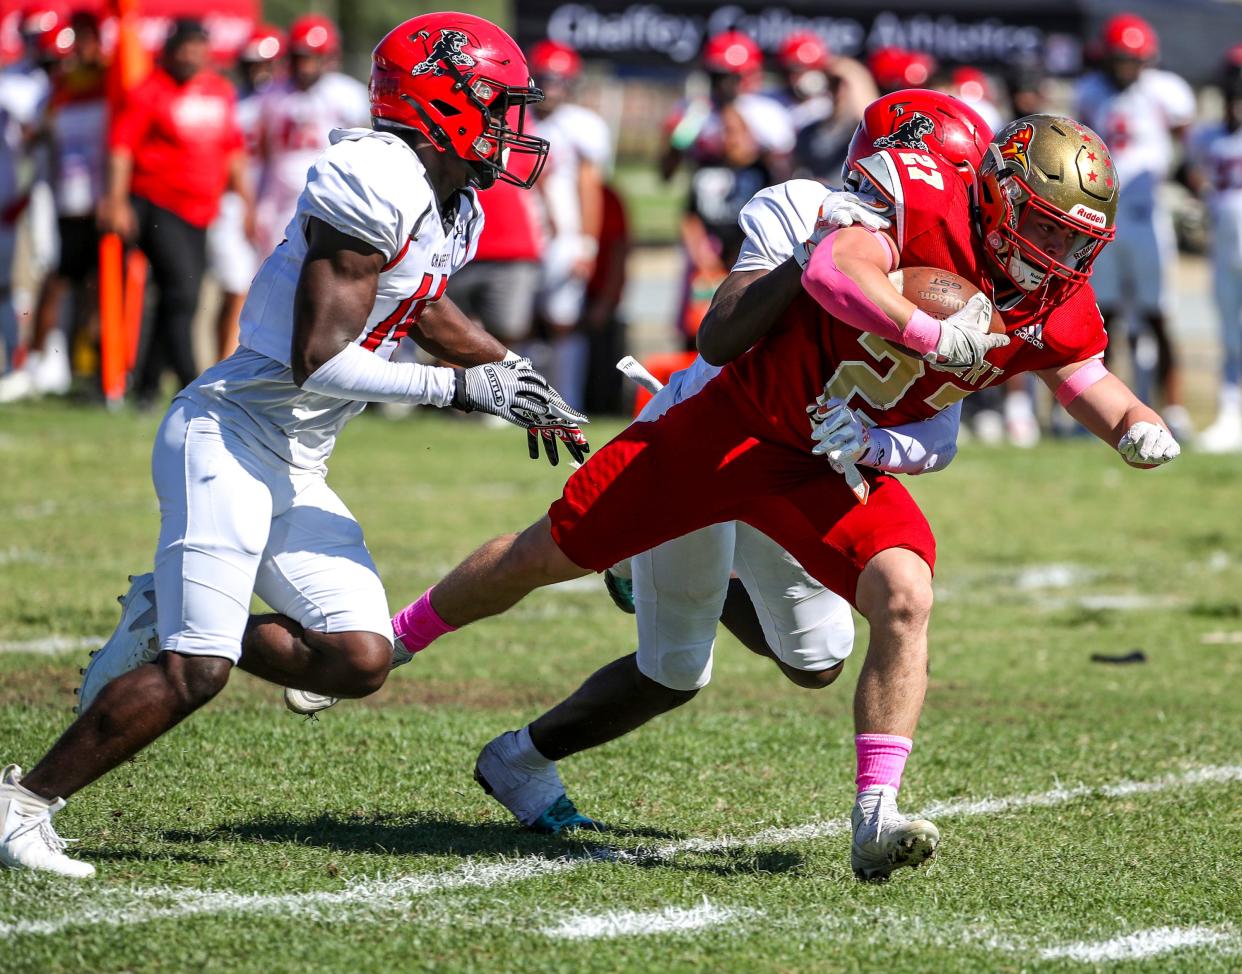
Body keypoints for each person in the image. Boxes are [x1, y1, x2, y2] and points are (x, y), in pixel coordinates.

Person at [385, 114, 1181, 881]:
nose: (1058, 254)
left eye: (1074, 238)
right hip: (729, 424)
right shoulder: (857, 208)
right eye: (1046, 230)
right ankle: (393, 641)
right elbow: (818, 283)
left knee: (883, 608)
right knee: (552, 557)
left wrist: (1134, 424)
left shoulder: (1042, 296)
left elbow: (1046, 395)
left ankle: (877, 817)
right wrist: (925, 329)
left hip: (821, 463)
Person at [0, 14, 586, 879]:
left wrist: (513, 370)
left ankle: (173, 612)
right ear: (442, 99)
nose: (510, 125)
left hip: (294, 460)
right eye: (495, 104)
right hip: (230, 435)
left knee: (358, 658)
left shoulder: (446, 195)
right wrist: (464, 389)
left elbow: (419, 303)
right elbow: (319, 360)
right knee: (194, 674)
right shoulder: (375, 176)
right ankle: (23, 805)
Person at [470, 89, 983, 843]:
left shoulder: (948, 271)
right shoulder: (802, 208)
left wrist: (881, 430)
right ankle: (514, 753)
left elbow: (939, 424)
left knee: (819, 661)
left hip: (800, 462)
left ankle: (636, 567)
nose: (944, 201)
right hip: (713, 434)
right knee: (675, 668)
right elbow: (725, 335)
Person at [100, 19, 251, 406]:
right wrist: (116, 200)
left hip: (203, 210)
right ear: (170, 50)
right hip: (157, 203)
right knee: (182, 292)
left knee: (177, 296)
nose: (191, 55)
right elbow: (122, 148)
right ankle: (189, 378)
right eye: (184, 47)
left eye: (198, 47)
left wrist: (246, 199)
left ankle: (147, 386)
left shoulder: (219, 90)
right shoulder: (149, 91)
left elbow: (232, 148)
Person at [1075, 13, 1196, 440]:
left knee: (1159, 313)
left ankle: (1175, 409)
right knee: (1101, 316)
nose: (1128, 67)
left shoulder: (1166, 91)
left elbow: (1190, 141)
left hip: (1147, 215)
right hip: (1101, 218)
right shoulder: (1089, 92)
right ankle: (1100, 413)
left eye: (1135, 59)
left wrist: (1187, 175)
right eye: (1122, 59)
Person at [0, 9, 103, 402]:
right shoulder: (35, 86)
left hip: (63, 194)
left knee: (59, 275)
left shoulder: (75, 85)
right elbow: (30, 140)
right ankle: (31, 362)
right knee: (37, 277)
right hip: (35, 191)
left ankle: (61, 365)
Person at [527, 39, 611, 410]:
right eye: (547, 79)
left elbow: (590, 188)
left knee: (563, 321)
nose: (554, 89)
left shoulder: (582, 126)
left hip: (564, 235)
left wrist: (586, 244)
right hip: (522, 234)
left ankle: (566, 399)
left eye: (561, 80)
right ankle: (520, 402)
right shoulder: (516, 118)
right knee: (517, 321)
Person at [253, 15, 369, 258]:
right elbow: (264, 149)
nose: (304, 67)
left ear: (327, 59)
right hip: (280, 196)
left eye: (310, 59)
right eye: (299, 58)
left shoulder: (347, 94)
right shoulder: (272, 93)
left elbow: (365, 147)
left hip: (329, 191)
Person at [207, 24, 283, 363]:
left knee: (271, 289)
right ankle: (221, 364)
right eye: (251, 65)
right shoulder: (230, 101)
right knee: (235, 285)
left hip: (273, 200)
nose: (258, 73)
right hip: (235, 200)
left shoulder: (284, 100)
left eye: (263, 65)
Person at [1192, 46, 1242, 452]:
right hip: (1224, 247)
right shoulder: (1208, 135)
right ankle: (1230, 411)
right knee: (1229, 332)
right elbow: (1193, 173)